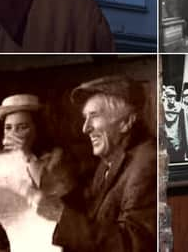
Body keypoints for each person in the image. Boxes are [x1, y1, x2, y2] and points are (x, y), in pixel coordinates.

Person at [53, 75, 156, 251]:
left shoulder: (147, 162)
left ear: (126, 122)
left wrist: (57, 212)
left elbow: (133, 244)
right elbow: (91, 216)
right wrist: (63, 187)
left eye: (94, 116)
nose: (85, 129)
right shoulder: (110, 160)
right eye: (85, 118)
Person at [0, 93, 73, 250]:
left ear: (37, 130)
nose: (13, 134)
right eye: (8, 128)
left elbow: (51, 204)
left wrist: (25, 158)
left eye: (22, 127)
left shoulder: (57, 159)